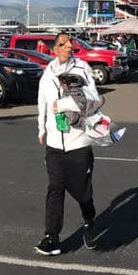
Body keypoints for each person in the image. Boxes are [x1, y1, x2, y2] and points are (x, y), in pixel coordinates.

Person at [34, 32, 101, 256]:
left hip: (78, 141)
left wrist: (63, 104)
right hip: (54, 143)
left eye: (70, 42)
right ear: (55, 49)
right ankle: (51, 238)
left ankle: (89, 220)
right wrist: (41, 128)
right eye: (63, 43)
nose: (69, 46)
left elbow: (94, 99)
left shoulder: (82, 68)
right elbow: (42, 102)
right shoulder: (48, 73)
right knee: (55, 188)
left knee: (82, 193)